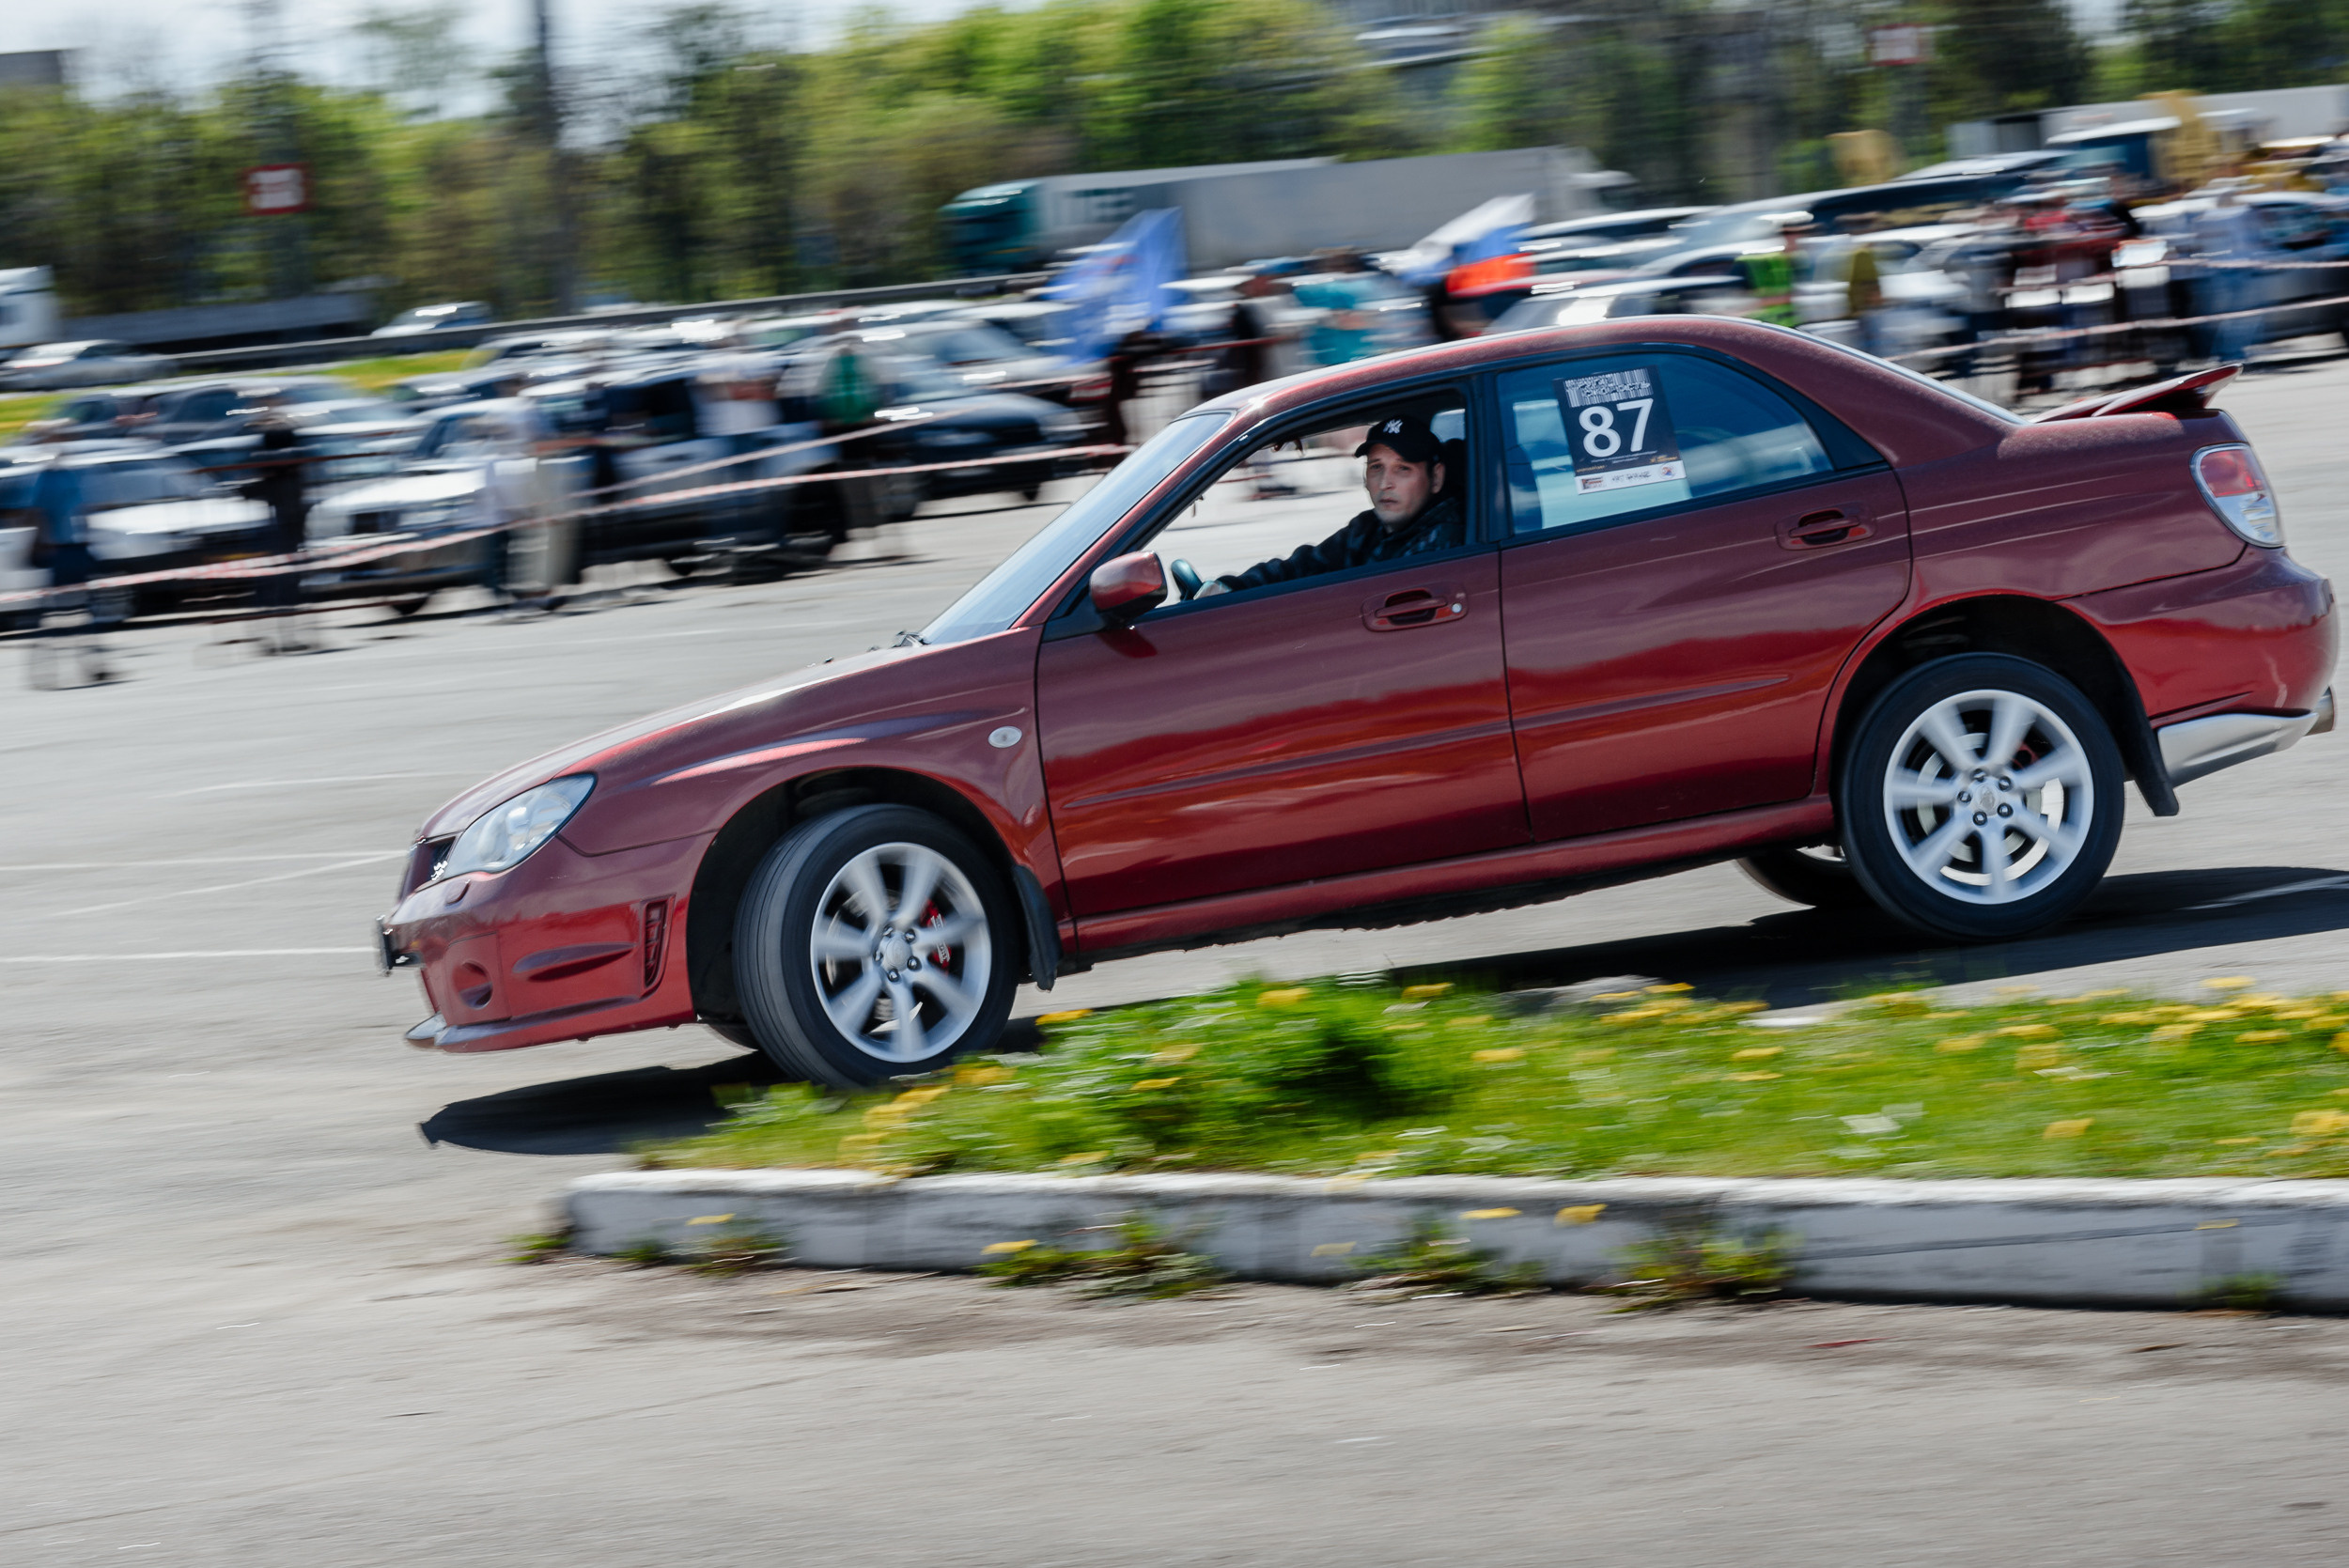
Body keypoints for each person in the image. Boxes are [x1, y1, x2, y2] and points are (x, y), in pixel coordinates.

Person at [1197, 414, 1464, 597]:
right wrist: (1230, 587)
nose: (1385, 483)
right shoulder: (1369, 527)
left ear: (1436, 477)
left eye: (1402, 469)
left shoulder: (1442, 539)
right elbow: (1304, 566)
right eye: (1376, 467)